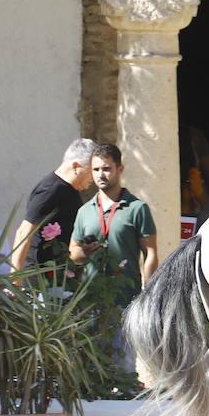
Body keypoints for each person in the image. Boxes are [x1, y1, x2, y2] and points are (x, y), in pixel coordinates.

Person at [69, 144, 158, 371]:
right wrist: (85, 252)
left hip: (126, 300)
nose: (101, 174)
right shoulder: (85, 211)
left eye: (107, 169)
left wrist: (147, 294)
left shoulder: (137, 208)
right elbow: (73, 254)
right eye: (96, 169)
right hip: (91, 301)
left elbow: (151, 253)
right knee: (92, 368)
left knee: (124, 366)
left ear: (120, 169)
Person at [10, 138, 96, 274]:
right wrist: (15, 280)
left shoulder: (70, 189)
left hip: (61, 278)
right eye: (92, 170)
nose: (95, 177)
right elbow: (24, 232)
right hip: (40, 281)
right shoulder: (51, 189)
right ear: (75, 166)